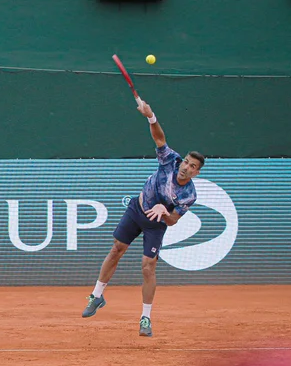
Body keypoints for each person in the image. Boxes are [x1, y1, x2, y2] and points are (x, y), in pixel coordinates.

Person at [81, 97, 204, 337]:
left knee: (148, 267)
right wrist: (151, 116)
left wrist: (164, 212)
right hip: (136, 209)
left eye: (192, 166)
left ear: (196, 172)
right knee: (117, 248)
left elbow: (174, 220)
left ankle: (145, 318)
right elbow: (159, 137)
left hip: (156, 224)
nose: (186, 167)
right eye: (186, 162)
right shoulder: (170, 160)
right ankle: (96, 295)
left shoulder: (189, 195)